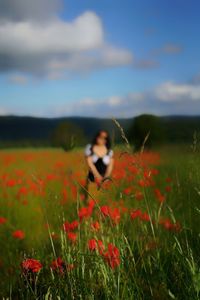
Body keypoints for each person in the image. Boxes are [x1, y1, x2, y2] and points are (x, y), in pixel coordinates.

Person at [83, 130, 114, 197]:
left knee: (103, 200)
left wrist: (106, 178)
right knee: (91, 198)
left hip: (105, 180)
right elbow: (89, 164)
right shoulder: (90, 148)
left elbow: (110, 166)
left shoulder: (109, 151)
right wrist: (98, 177)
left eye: (104, 138)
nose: (102, 139)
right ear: (97, 137)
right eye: (100, 137)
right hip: (92, 179)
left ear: (107, 140)